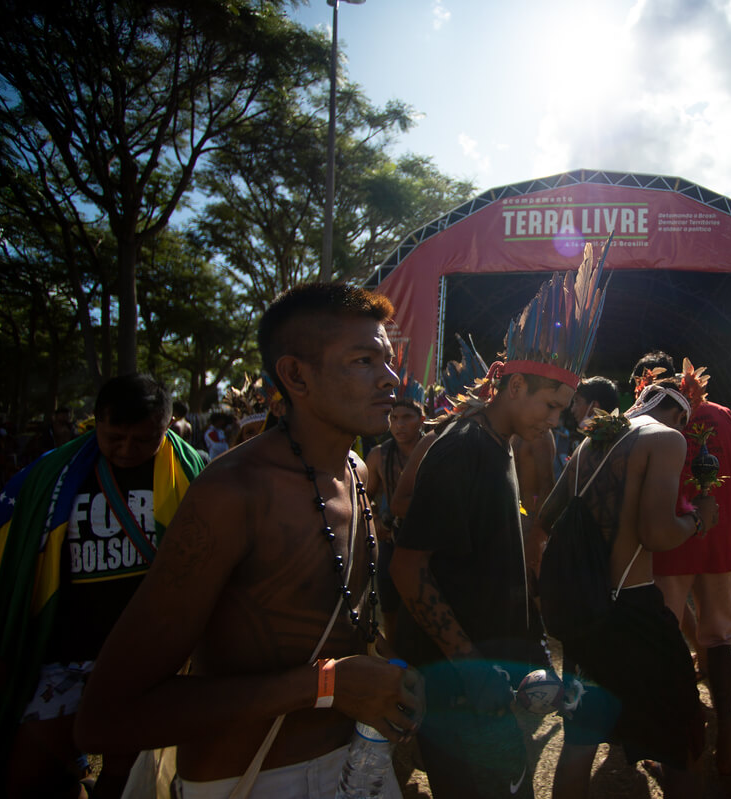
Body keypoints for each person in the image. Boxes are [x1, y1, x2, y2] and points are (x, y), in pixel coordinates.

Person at [74, 284, 423, 798]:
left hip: (357, 765)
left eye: (388, 360)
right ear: (295, 375)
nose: (390, 378)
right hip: (251, 779)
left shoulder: (355, 472)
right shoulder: (232, 493)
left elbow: (344, 631)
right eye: (363, 359)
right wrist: (324, 687)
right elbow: (105, 718)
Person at [390, 239, 612, 799]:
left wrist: (532, 651)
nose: (558, 421)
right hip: (461, 689)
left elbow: (499, 563)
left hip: (497, 674)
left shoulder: (503, 442)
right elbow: (408, 569)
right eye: (551, 406)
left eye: (564, 409)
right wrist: (468, 667)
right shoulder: (463, 449)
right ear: (515, 386)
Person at [0, 374, 205, 797]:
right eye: (114, 436)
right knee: (28, 777)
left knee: (125, 777)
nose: (127, 450)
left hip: (147, 660)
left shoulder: (198, 477)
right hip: (63, 655)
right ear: (94, 423)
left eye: (144, 439)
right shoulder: (47, 479)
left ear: (166, 427)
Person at [539, 378, 716, 799]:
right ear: (677, 416)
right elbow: (656, 533)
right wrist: (698, 519)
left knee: (580, 742)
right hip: (632, 610)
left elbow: (547, 517)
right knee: (681, 737)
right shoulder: (667, 439)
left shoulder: (591, 441)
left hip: (587, 611)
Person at [653, 359, 731, 779]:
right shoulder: (721, 415)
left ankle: (683, 733)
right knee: (718, 635)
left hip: (672, 536)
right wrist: (723, 504)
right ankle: (726, 740)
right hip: (717, 538)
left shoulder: (653, 416)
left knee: (667, 636)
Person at [364, 395, 426, 643]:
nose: (399, 424)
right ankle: (395, 656)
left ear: (421, 420)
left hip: (427, 542)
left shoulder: (436, 450)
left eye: (407, 417)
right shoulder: (379, 455)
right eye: (394, 418)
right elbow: (363, 497)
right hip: (392, 540)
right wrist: (376, 521)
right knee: (389, 605)